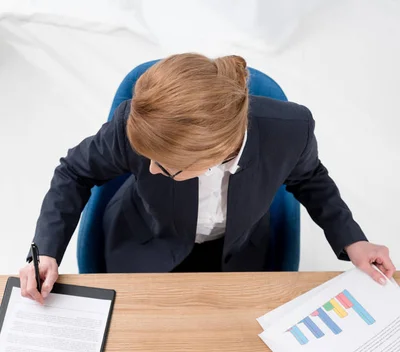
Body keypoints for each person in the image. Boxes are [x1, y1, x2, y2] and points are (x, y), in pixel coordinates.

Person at [20, 53, 395, 304]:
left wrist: (353, 240)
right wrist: (46, 249)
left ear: (213, 155)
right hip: (146, 244)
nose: (149, 171)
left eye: (165, 167)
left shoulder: (291, 130)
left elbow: (310, 178)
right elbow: (73, 171)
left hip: (240, 252)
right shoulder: (132, 122)